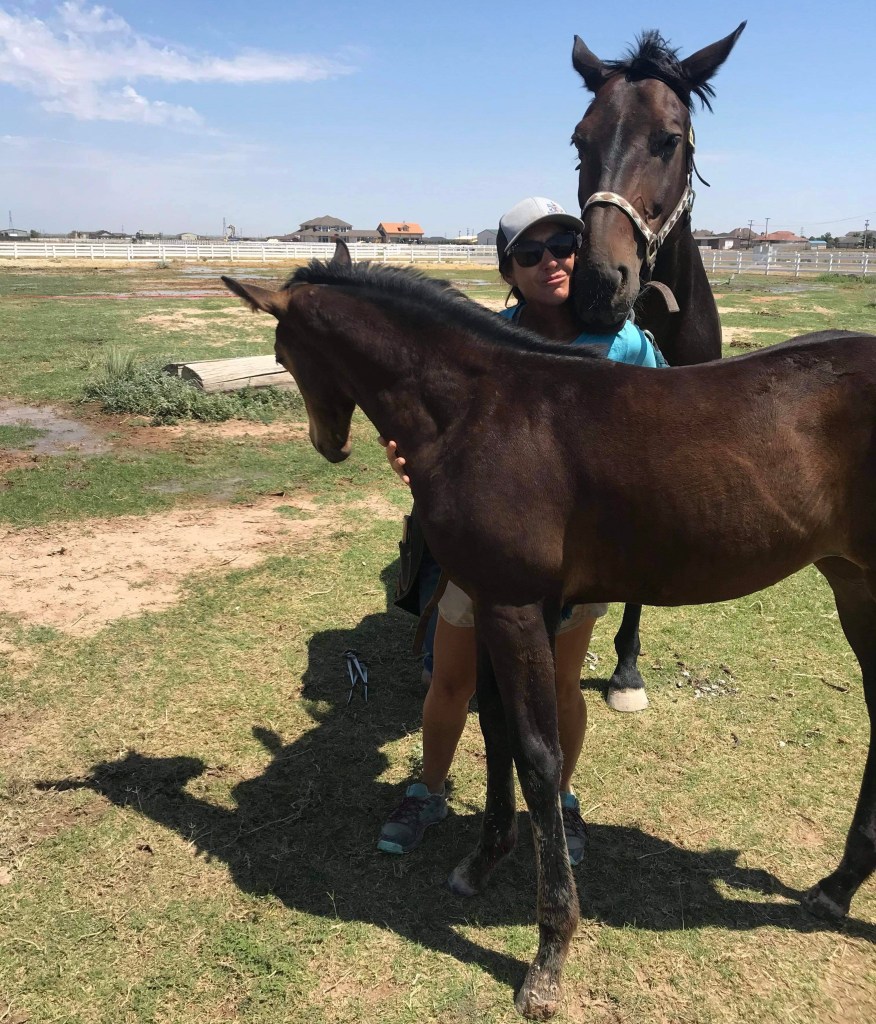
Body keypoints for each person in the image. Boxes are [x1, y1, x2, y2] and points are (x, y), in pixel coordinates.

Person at [377, 197, 664, 862]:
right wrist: (408, 455)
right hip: (486, 548)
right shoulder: (479, 341)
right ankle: (428, 789)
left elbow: (667, 423)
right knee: (452, 680)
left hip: (578, 555)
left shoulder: (621, 341)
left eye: (562, 246)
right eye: (529, 254)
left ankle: (559, 801)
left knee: (560, 686)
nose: (550, 262)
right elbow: (435, 430)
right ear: (509, 271)